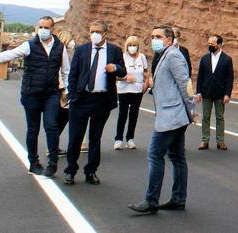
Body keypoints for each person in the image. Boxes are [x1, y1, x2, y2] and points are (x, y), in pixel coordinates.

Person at [0, 16, 69, 177]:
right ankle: (34, 163)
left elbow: (66, 71)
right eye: (40, 27)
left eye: (46, 27)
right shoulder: (29, 45)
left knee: (51, 126)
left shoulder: (60, 48)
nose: (43, 30)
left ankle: (52, 162)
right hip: (31, 94)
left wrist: (67, 90)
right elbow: (8, 55)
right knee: (33, 129)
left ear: (53, 29)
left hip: (51, 93)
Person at [129, 25, 196, 214]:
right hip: (172, 115)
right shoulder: (163, 55)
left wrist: (192, 111)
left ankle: (151, 201)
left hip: (172, 116)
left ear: (168, 39)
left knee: (154, 155)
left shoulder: (173, 55)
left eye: (158, 36)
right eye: (152, 36)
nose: (154, 39)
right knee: (177, 157)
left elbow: (185, 84)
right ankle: (178, 198)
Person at [63, 20, 126, 185]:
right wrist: (71, 94)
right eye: (92, 31)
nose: (94, 35)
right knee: (75, 137)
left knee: (95, 137)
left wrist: (116, 68)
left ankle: (91, 171)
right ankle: (70, 170)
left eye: (97, 32)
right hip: (81, 99)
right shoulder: (82, 50)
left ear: (105, 33)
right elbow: (73, 73)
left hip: (102, 100)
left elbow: (123, 69)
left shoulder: (114, 51)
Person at [195, 34, 234, 150]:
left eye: (212, 44)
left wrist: (227, 94)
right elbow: (200, 76)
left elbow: (230, 78)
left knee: (220, 117)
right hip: (206, 92)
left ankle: (220, 141)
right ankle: (204, 140)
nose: (210, 46)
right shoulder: (205, 58)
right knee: (205, 117)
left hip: (220, 94)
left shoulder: (227, 59)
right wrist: (198, 92)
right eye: (209, 44)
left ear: (219, 45)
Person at [115, 35, 149, 150]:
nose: (132, 47)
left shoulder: (142, 57)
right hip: (124, 89)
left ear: (138, 46)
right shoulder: (122, 57)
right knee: (123, 114)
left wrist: (146, 83)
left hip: (137, 90)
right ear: (126, 46)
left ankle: (130, 139)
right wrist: (125, 78)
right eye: (130, 45)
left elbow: (146, 72)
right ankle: (118, 139)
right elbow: (115, 76)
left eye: (134, 45)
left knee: (134, 114)